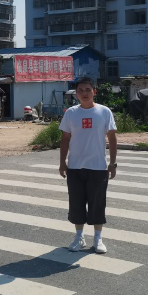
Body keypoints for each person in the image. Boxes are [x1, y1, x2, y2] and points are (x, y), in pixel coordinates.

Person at [58, 77, 117, 254]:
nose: (84, 93)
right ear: (76, 94)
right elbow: (65, 139)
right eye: (80, 91)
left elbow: (112, 138)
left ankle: (98, 239)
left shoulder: (104, 112)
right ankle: (79, 237)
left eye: (87, 90)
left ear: (94, 92)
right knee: (76, 203)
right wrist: (62, 163)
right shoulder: (71, 113)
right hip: (75, 167)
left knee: (97, 203)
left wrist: (113, 163)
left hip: (98, 167)